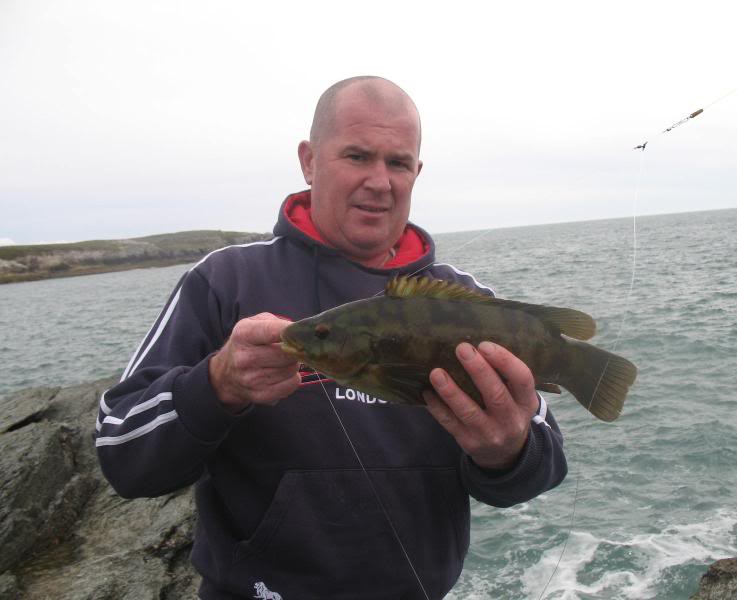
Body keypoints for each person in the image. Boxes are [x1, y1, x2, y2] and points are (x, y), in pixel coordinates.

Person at [95, 76, 567, 599]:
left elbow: (541, 469)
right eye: (357, 156)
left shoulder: (465, 300)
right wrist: (219, 383)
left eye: (398, 162)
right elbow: (120, 454)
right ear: (309, 160)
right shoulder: (224, 282)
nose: (380, 181)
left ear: (417, 172)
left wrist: (508, 451)